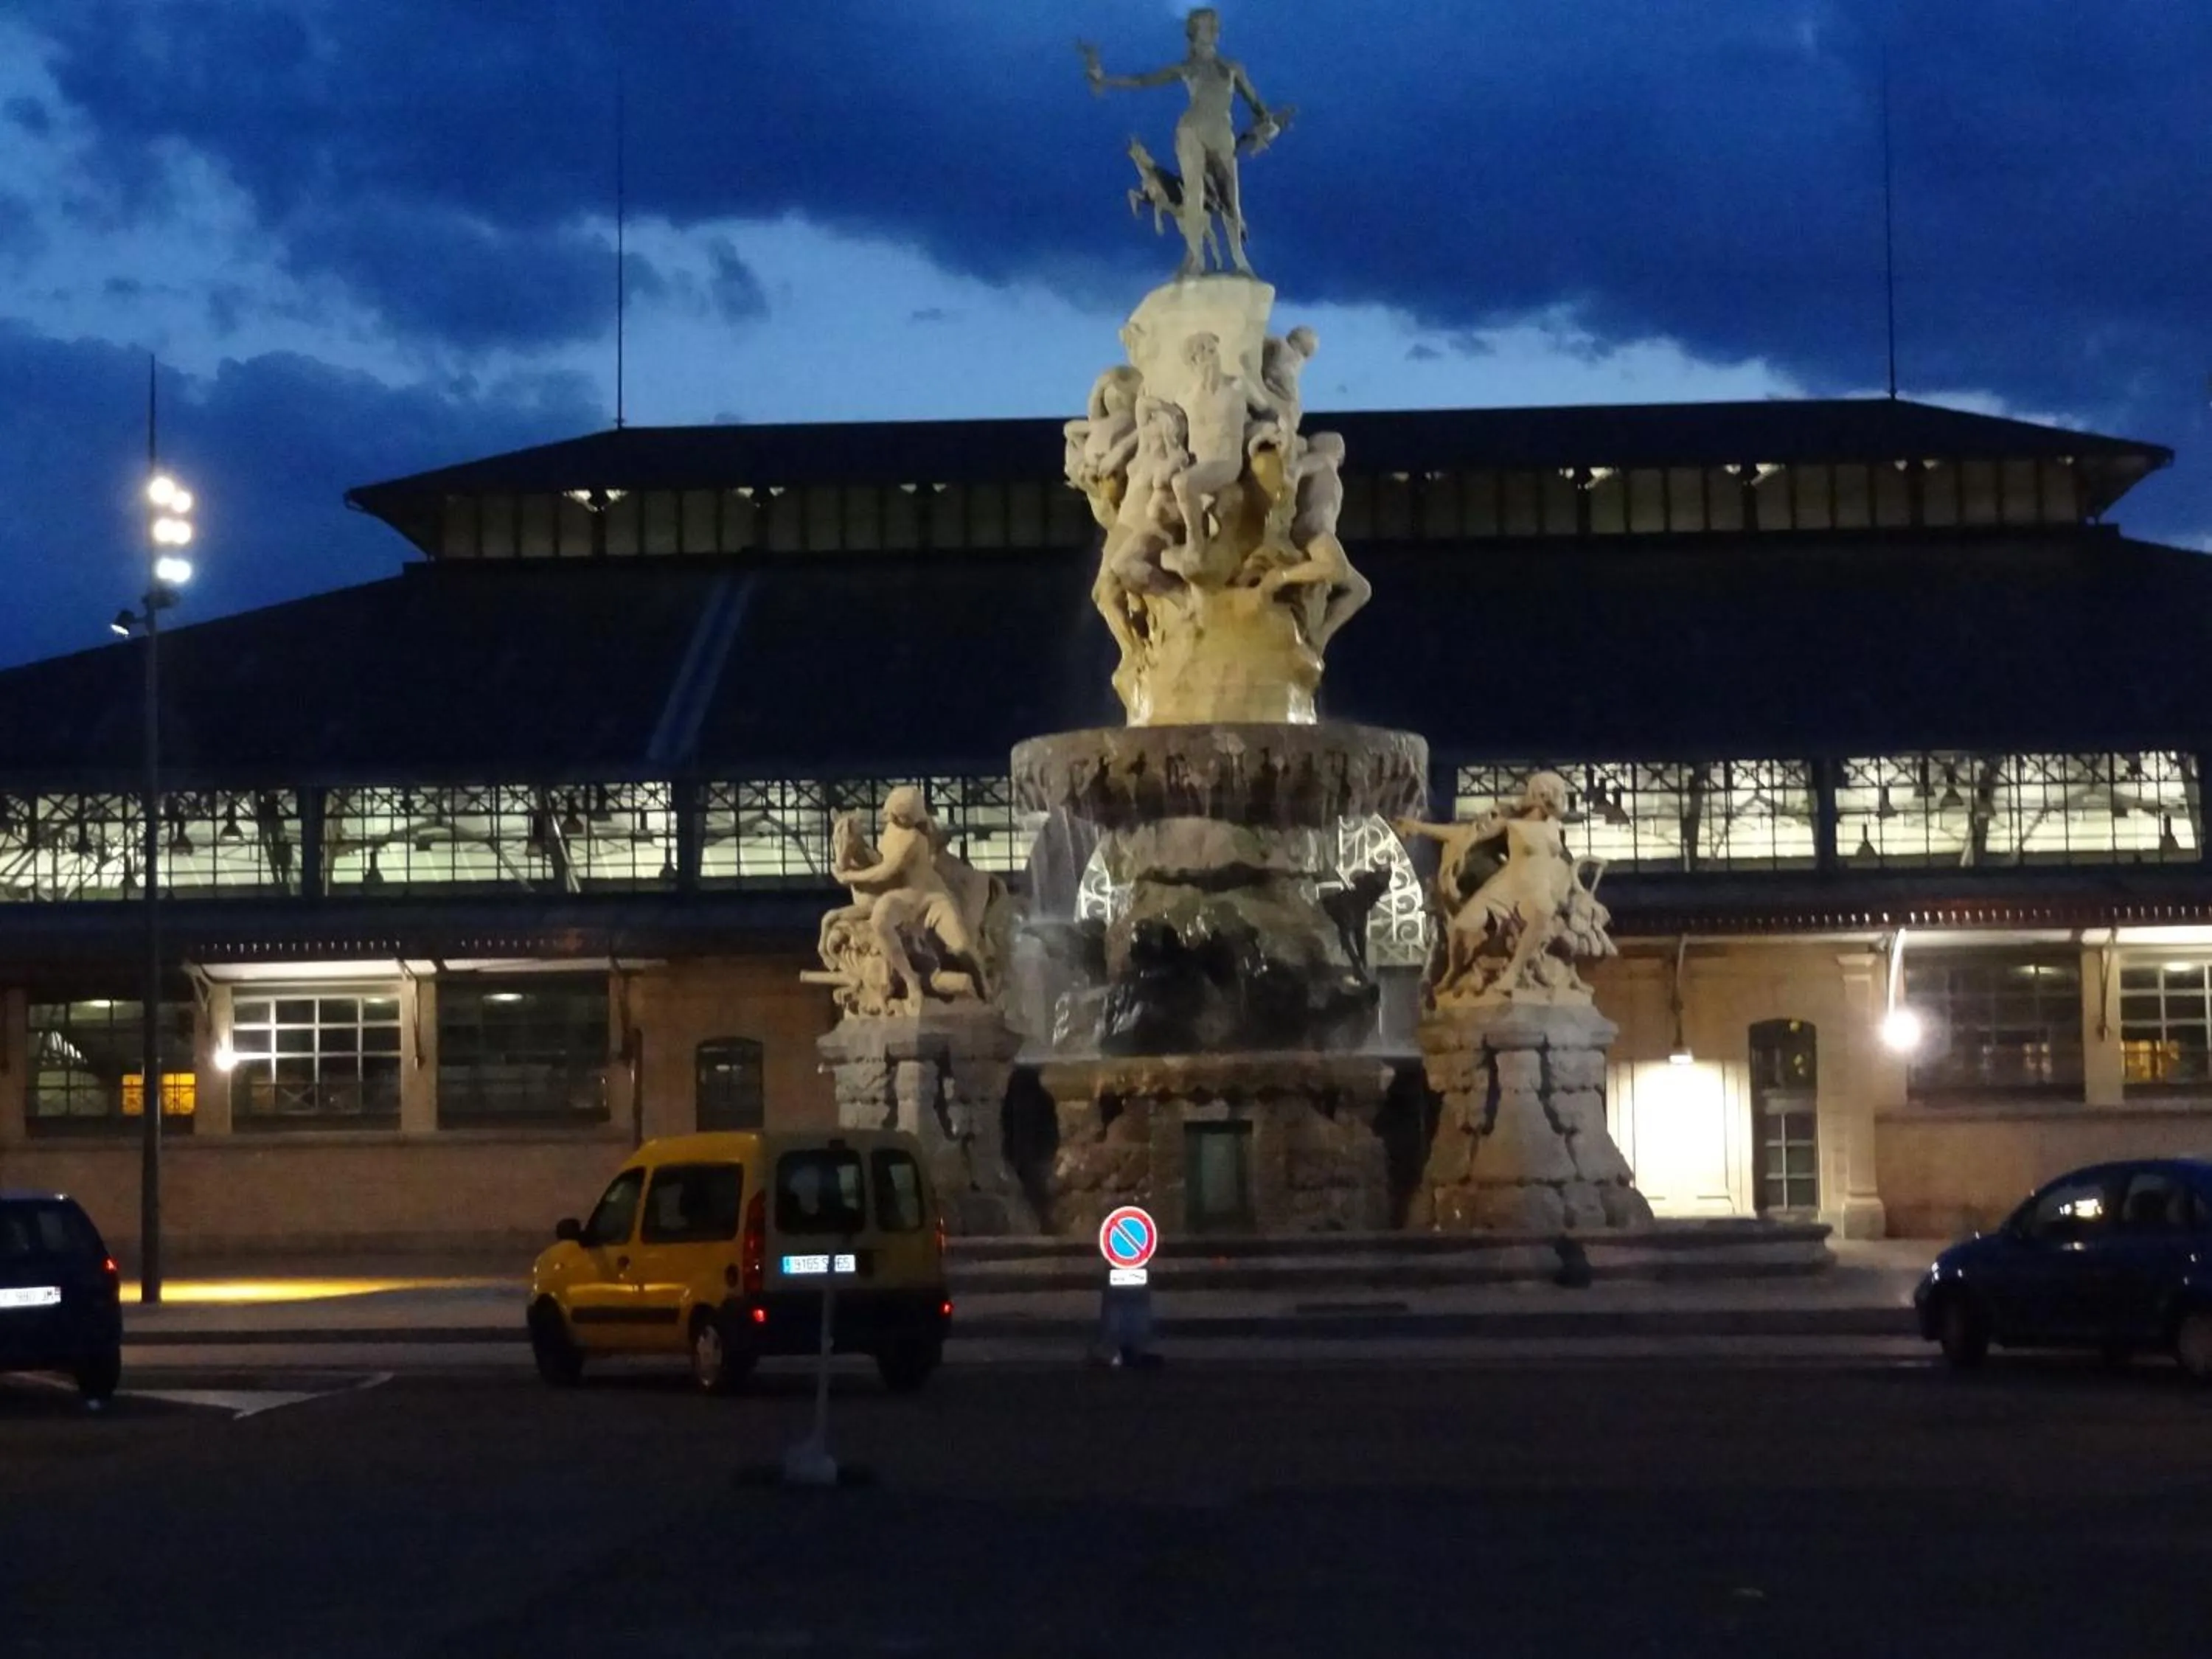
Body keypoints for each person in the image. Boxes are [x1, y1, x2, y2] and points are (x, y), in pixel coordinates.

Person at [1081, 8, 1279, 276]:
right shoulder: (1187, 68)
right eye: (1206, 26)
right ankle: (1196, 258)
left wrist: (1267, 124)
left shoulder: (1232, 68)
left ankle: (1239, 260)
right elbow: (1143, 81)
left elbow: (1257, 106)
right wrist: (1104, 80)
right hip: (1191, 132)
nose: (1213, 30)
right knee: (1194, 195)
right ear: (1194, 33)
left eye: (1214, 26)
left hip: (1222, 134)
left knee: (1230, 199)